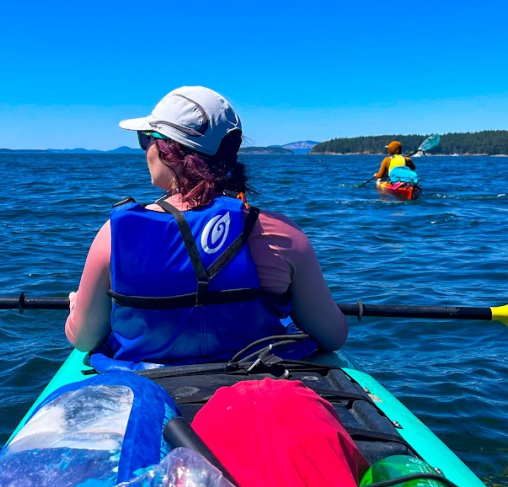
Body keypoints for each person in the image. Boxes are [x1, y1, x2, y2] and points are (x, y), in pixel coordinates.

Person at [65, 86, 348, 369]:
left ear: (170, 150)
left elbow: (84, 340)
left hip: (151, 388)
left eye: (146, 139)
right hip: (255, 388)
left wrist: (76, 307)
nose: (145, 151)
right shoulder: (284, 236)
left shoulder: (113, 236)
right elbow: (332, 336)